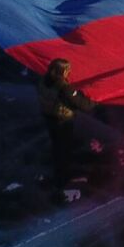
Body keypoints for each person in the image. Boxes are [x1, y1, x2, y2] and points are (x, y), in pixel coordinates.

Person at [37, 57, 94, 202]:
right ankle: (62, 179)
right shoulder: (64, 88)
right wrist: (96, 99)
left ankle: (60, 173)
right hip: (62, 122)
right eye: (68, 70)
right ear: (63, 71)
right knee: (64, 150)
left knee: (57, 146)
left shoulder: (44, 80)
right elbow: (84, 105)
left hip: (49, 117)